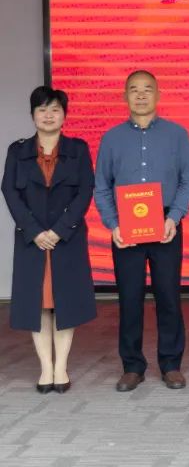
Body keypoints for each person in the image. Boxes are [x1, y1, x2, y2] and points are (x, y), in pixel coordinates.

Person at [94, 70, 189, 392]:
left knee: (169, 296)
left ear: (158, 95)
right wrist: (113, 224)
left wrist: (174, 218)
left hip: (166, 224)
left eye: (147, 89)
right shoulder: (112, 138)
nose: (141, 95)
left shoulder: (177, 134)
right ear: (125, 96)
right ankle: (132, 366)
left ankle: (171, 364)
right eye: (134, 90)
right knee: (130, 297)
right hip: (126, 225)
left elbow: (188, 180)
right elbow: (102, 187)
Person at [2, 86, 96, 394]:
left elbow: (85, 191)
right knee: (39, 304)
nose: (48, 115)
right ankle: (45, 368)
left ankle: (61, 367)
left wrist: (59, 230)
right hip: (32, 241)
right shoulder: (17, 151)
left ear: (64, 115)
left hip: (66, 239)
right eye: (42, 110)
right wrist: (34, 231)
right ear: (32, 115)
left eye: (55, 109)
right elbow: (9, 191)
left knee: (64, 303)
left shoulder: (78, 149)